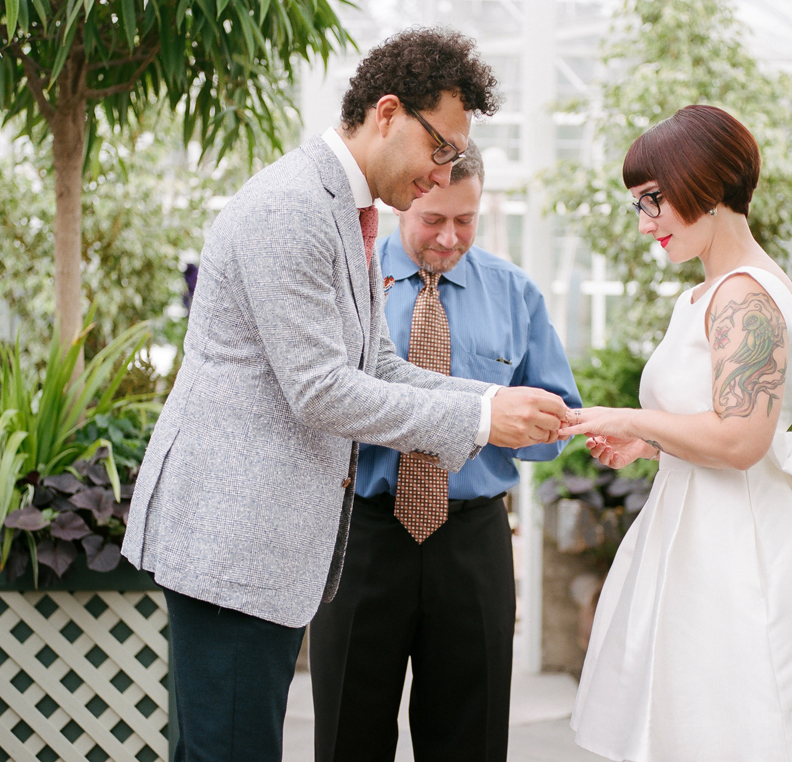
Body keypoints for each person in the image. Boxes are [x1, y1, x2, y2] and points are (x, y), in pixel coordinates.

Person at [121, 29, 569, 762]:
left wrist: (496, 404)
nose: (444, 173)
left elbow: (379, 365)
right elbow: (322, 390)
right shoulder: (292, 207)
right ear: (388, 113)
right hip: (233, 546)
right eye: (442, 148)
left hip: (260, 548)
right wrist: (484, 415)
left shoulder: (344, 211)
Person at [556, 104, 792, 761]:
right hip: (695, 541)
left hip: (733, 558)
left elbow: (743, 440)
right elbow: (719, 420)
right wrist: (652, 442)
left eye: (653, 200)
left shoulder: (746, 298)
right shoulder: (713, 293)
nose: (645, 223)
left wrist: (627, 418)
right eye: (639, 205)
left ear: (705, 185)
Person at [308, 141, 582, 762]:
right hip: (363, 539)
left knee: (472, 740)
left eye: (466, 220)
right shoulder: (350, 279)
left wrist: (540, 426)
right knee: (349, 737)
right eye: (434, 220)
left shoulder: (514, 293)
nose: (450, 237)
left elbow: (555, 414)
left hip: (472, 544)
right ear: (405, 201)